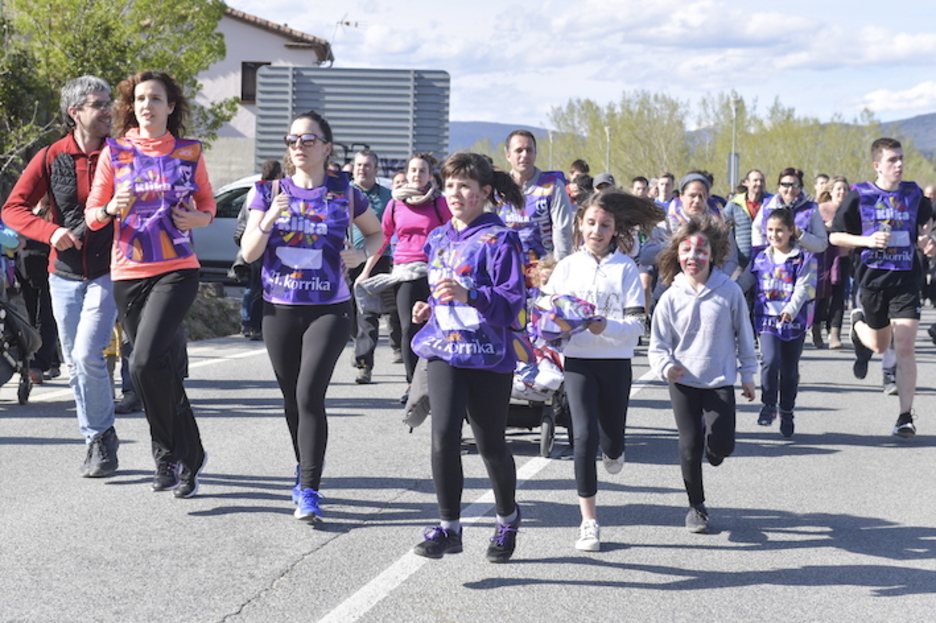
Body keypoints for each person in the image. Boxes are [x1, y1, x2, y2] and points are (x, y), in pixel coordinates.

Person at [241, 110, 383, 522]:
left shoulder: (345, 191)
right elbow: (249, 253)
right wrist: (269, 218)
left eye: (308, 140)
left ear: (326, 148)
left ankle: (308, 488)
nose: (299, 147)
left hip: (329, 308)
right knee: (292, 399)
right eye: (292, 140)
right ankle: (303, 465)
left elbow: (376, 234)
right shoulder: (267, 192)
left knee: (308, 395)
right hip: (278, 308)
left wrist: (361, 253)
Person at [86, 70, 215, 497]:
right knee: (153, 370)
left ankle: (178, 455)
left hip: (177, 267)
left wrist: (197, 218)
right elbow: (91, 215)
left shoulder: (188, 152)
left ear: (170, 107)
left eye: (156, 98)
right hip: (128, 271)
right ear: (132, 106)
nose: (147, 105)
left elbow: (208, 205)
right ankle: (177, 457)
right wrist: (109, 207)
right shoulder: (115, 152)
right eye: (140, 99)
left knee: (142, 362)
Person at [409, 152, 526, 563]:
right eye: (450, 185)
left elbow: (513, 303)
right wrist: (429, 307)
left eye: (464, 186)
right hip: (444, 349)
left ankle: (507, 518)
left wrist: (471, 296)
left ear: (484, 193)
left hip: (488, 356)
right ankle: (449, 528)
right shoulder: (439, 237)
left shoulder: (500, 239)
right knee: (442, 437)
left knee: (491, 444)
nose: (455, 193)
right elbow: (442, 287)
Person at [3, 75, 120, 478]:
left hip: (111, 270)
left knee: (88, 354)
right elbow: (13, 208)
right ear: (75, 113)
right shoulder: (51, 156)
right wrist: (51, 232)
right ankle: (97, 439)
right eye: (98, 104)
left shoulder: (122, 155)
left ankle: (100, 436)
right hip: (64, 274)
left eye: (109, 103)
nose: (108, 110)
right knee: (74, 361)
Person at [543, 190, 663, 551]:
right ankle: (589, 521)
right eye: (591, 223)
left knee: (611, 439)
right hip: (579, 363)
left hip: (615, 363)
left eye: (605, 225)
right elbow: (546, 308)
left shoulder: (625, 268)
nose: (596, 230)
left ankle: (615, 448)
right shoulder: (566, 267)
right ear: (580, 225)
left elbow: (636, 325)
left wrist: (604, 327)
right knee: (582, 439)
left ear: (615, 231)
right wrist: (550, 324)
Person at [648, 214, 757, 534]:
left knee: (722, 446)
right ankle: (696, 506)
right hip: (682, 380)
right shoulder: (669, 296)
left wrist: (747, 374)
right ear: (677, 254)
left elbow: (744, 335)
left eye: (699, 251)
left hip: (720, 379)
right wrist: (666, 367)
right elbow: (658, 346)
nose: (692, 257)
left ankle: (715, 449)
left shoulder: (729, 292)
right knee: (688, 444)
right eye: (686, 251)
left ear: (714, 253)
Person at [829, 138, 935, 438]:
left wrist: (928, 241)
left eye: (901, 159)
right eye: (892, 160)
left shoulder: (914, 193)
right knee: (878, 345)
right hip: (873, 280)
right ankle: (857, 324)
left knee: (905, 345)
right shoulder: (859, 195)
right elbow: (835, 237)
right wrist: (866, 241)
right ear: (878, 165)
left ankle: (905, 416)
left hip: (906, 279)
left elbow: (927, 225)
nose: (899, 164)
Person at [356, 153, 451, 404]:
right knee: (409, 328)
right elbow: (383, 237)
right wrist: (367, 270)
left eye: (422, 171)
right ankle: (413, 384)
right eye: (413, 171)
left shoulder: (439, 203)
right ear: (407, 174)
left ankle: (438, 382)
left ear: (430, 176)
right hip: (404, 272)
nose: (417, 175)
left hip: (435, 272)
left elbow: (454, 234)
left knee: (437, 327)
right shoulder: (395, 204)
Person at [751, 208, 817, 437]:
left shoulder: (803, 258)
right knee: (769, 361)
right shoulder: (759, 257)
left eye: (780, 230)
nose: (774, 235)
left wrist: (790, 310)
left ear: (791, 231)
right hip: (767, 319)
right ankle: (768, 405)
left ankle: (787, 410)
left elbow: (803, 288)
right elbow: (745, 281)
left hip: (793, 321)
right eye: (770, 230)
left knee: (789, 369)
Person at [752, 168, 828, 345]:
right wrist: (763, 250)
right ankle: (766, 336)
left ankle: (798, 338)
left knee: (798, 305)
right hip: (772, 266)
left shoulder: (811, 209)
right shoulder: (768, 205)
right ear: (779, 186)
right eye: (785, 185)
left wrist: (801, 236)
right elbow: (757, 229)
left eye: (795, 185)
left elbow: (822, 244)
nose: (790, 189)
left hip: (801, 267)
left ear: (801, 187)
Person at [349, 149, 403, 382]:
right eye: (359, 164)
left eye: (368, 165)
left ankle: (364, 364)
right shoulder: (343, 194)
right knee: (348, 313)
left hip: (377, 259)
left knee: (368, 313)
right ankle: (359, 343)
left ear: (376, 170)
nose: (363, 168)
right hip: (345, 259)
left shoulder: (389, 198)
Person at [503, 130, 574, 264]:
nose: (524, 155)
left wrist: (559, 268)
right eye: (519, 150)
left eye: (529, 150)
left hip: (543, 267)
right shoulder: (498, 188)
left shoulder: (553, 186)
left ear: (535, 154)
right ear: (508, 155)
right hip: (507, 268)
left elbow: (563, 230)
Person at [235, 159, 283, 341]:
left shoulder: (255, 188)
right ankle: (252, 324)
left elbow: (242, 216)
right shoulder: (268, 191)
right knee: (257, 285)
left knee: (252, 285)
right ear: (278, 175)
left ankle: (248, 323)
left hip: (253, 239)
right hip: (261, 241)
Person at [723, 169, 771, 300]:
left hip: (765, 258)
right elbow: (723, 224)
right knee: (737, 293)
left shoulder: (770, 203)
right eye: (755, 180)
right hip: (741, 260)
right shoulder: (734, 203)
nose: (759, 183)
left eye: (761, 180)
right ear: (746, 183)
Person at [815, 176, 850, 349]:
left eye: (845, 189)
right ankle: (816, 328)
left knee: (839, 296)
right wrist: (826, 226)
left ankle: (834, 333)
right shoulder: (821, 208)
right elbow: (812, 229)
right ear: (831, 191)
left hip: (843, 257)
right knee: (821, 295)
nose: (842, 192)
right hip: (823, 257)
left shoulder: (851, 209)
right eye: (838, 189)